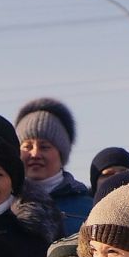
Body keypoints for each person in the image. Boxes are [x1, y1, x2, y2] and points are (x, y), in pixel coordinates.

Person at [15, 98, 94, 233]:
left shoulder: (89, 207)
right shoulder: (6, 202)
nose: (35, 154)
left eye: (44, 147)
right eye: (27, 146)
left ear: (62, 153)